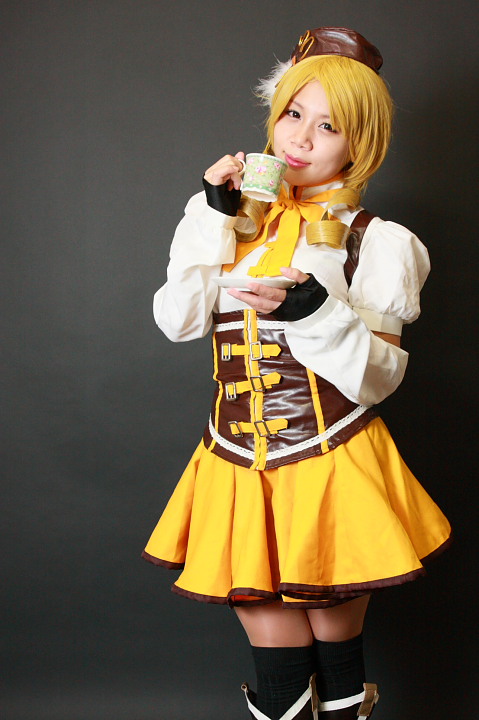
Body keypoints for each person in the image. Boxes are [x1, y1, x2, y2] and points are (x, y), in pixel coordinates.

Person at [142, 26, 451, 720]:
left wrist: (313, 311)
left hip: (330, 458)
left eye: (328, 126)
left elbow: (378, 380)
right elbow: (177, 321)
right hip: (235, 461)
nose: (300, 139)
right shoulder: (228, 221)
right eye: (291, 113)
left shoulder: (379, 241)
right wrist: (212, 217)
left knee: (336, 656)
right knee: (275, 658)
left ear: (359, 145)